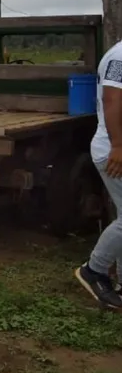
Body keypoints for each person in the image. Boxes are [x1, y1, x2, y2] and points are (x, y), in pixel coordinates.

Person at [75, 39, 122, 308]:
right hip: (114, 149)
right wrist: (118, 144)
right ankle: (94, 270)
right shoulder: (120, 56)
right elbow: (112, 98)